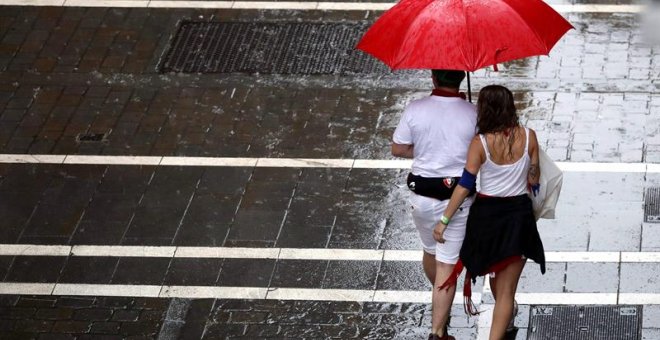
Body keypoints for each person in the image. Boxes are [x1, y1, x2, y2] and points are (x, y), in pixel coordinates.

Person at [434, 85, 546, 340]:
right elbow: (535, 179)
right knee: (506, 291)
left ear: (484, 109)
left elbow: (465, 184)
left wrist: (444, 221)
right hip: (519, 216)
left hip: (487, 218)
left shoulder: (480, 142)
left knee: (496, 276)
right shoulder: (529, 136)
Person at [392, 69, 477, 340]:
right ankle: (437, 331)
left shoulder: (415, 109)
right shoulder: (473, 112)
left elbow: (398, 148)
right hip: (457, 200)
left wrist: (428, 148)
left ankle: (441, 296)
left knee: (431, 252)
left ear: (433, 78)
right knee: (447, 267)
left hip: (421, 198)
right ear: (462, 78)